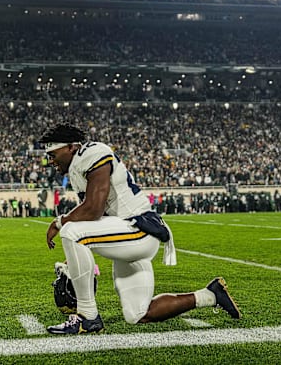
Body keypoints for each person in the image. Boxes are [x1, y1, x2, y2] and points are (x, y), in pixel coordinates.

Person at [41, 124, 240, 335]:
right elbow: (98, 218)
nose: (50, 160)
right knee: (138, 314)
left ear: (71, 147)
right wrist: (76, 258)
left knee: (70, 231)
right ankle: (209, 295)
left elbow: (94, 209)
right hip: (126, 236)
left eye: (53, 154)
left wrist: (59, 222)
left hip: (138, 228)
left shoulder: (92, 152)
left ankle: (87, 318)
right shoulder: (77, 166)